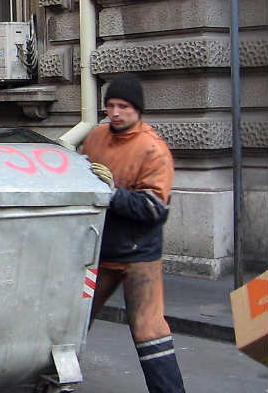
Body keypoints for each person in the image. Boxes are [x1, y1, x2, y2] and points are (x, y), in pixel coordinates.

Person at [83, 74, 185, 393]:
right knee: (71, 322)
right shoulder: (97, 138)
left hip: (140, 256)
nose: (115, 113)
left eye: (123, 106)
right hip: (102, 251)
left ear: (137, 110)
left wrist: (113, 193)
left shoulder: (152, 150)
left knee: (149, 331)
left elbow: (155, 209)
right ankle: (48, 380)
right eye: (110, 106)